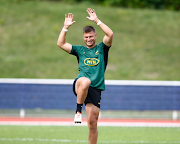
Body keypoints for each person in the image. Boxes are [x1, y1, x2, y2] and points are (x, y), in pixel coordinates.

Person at [57, 8, 113, 144]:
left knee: (92, 124)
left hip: (96, 88)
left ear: (95, 36)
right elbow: (61, 43)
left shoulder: (102, 48)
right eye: (86, 37)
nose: (89, 39)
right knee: (86, 81)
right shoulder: (80, 50)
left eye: (91, 36)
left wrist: (97, 20)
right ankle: (77, 111)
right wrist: (65, 27)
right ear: (83, 37)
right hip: (80, 84)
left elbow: (110, 34)